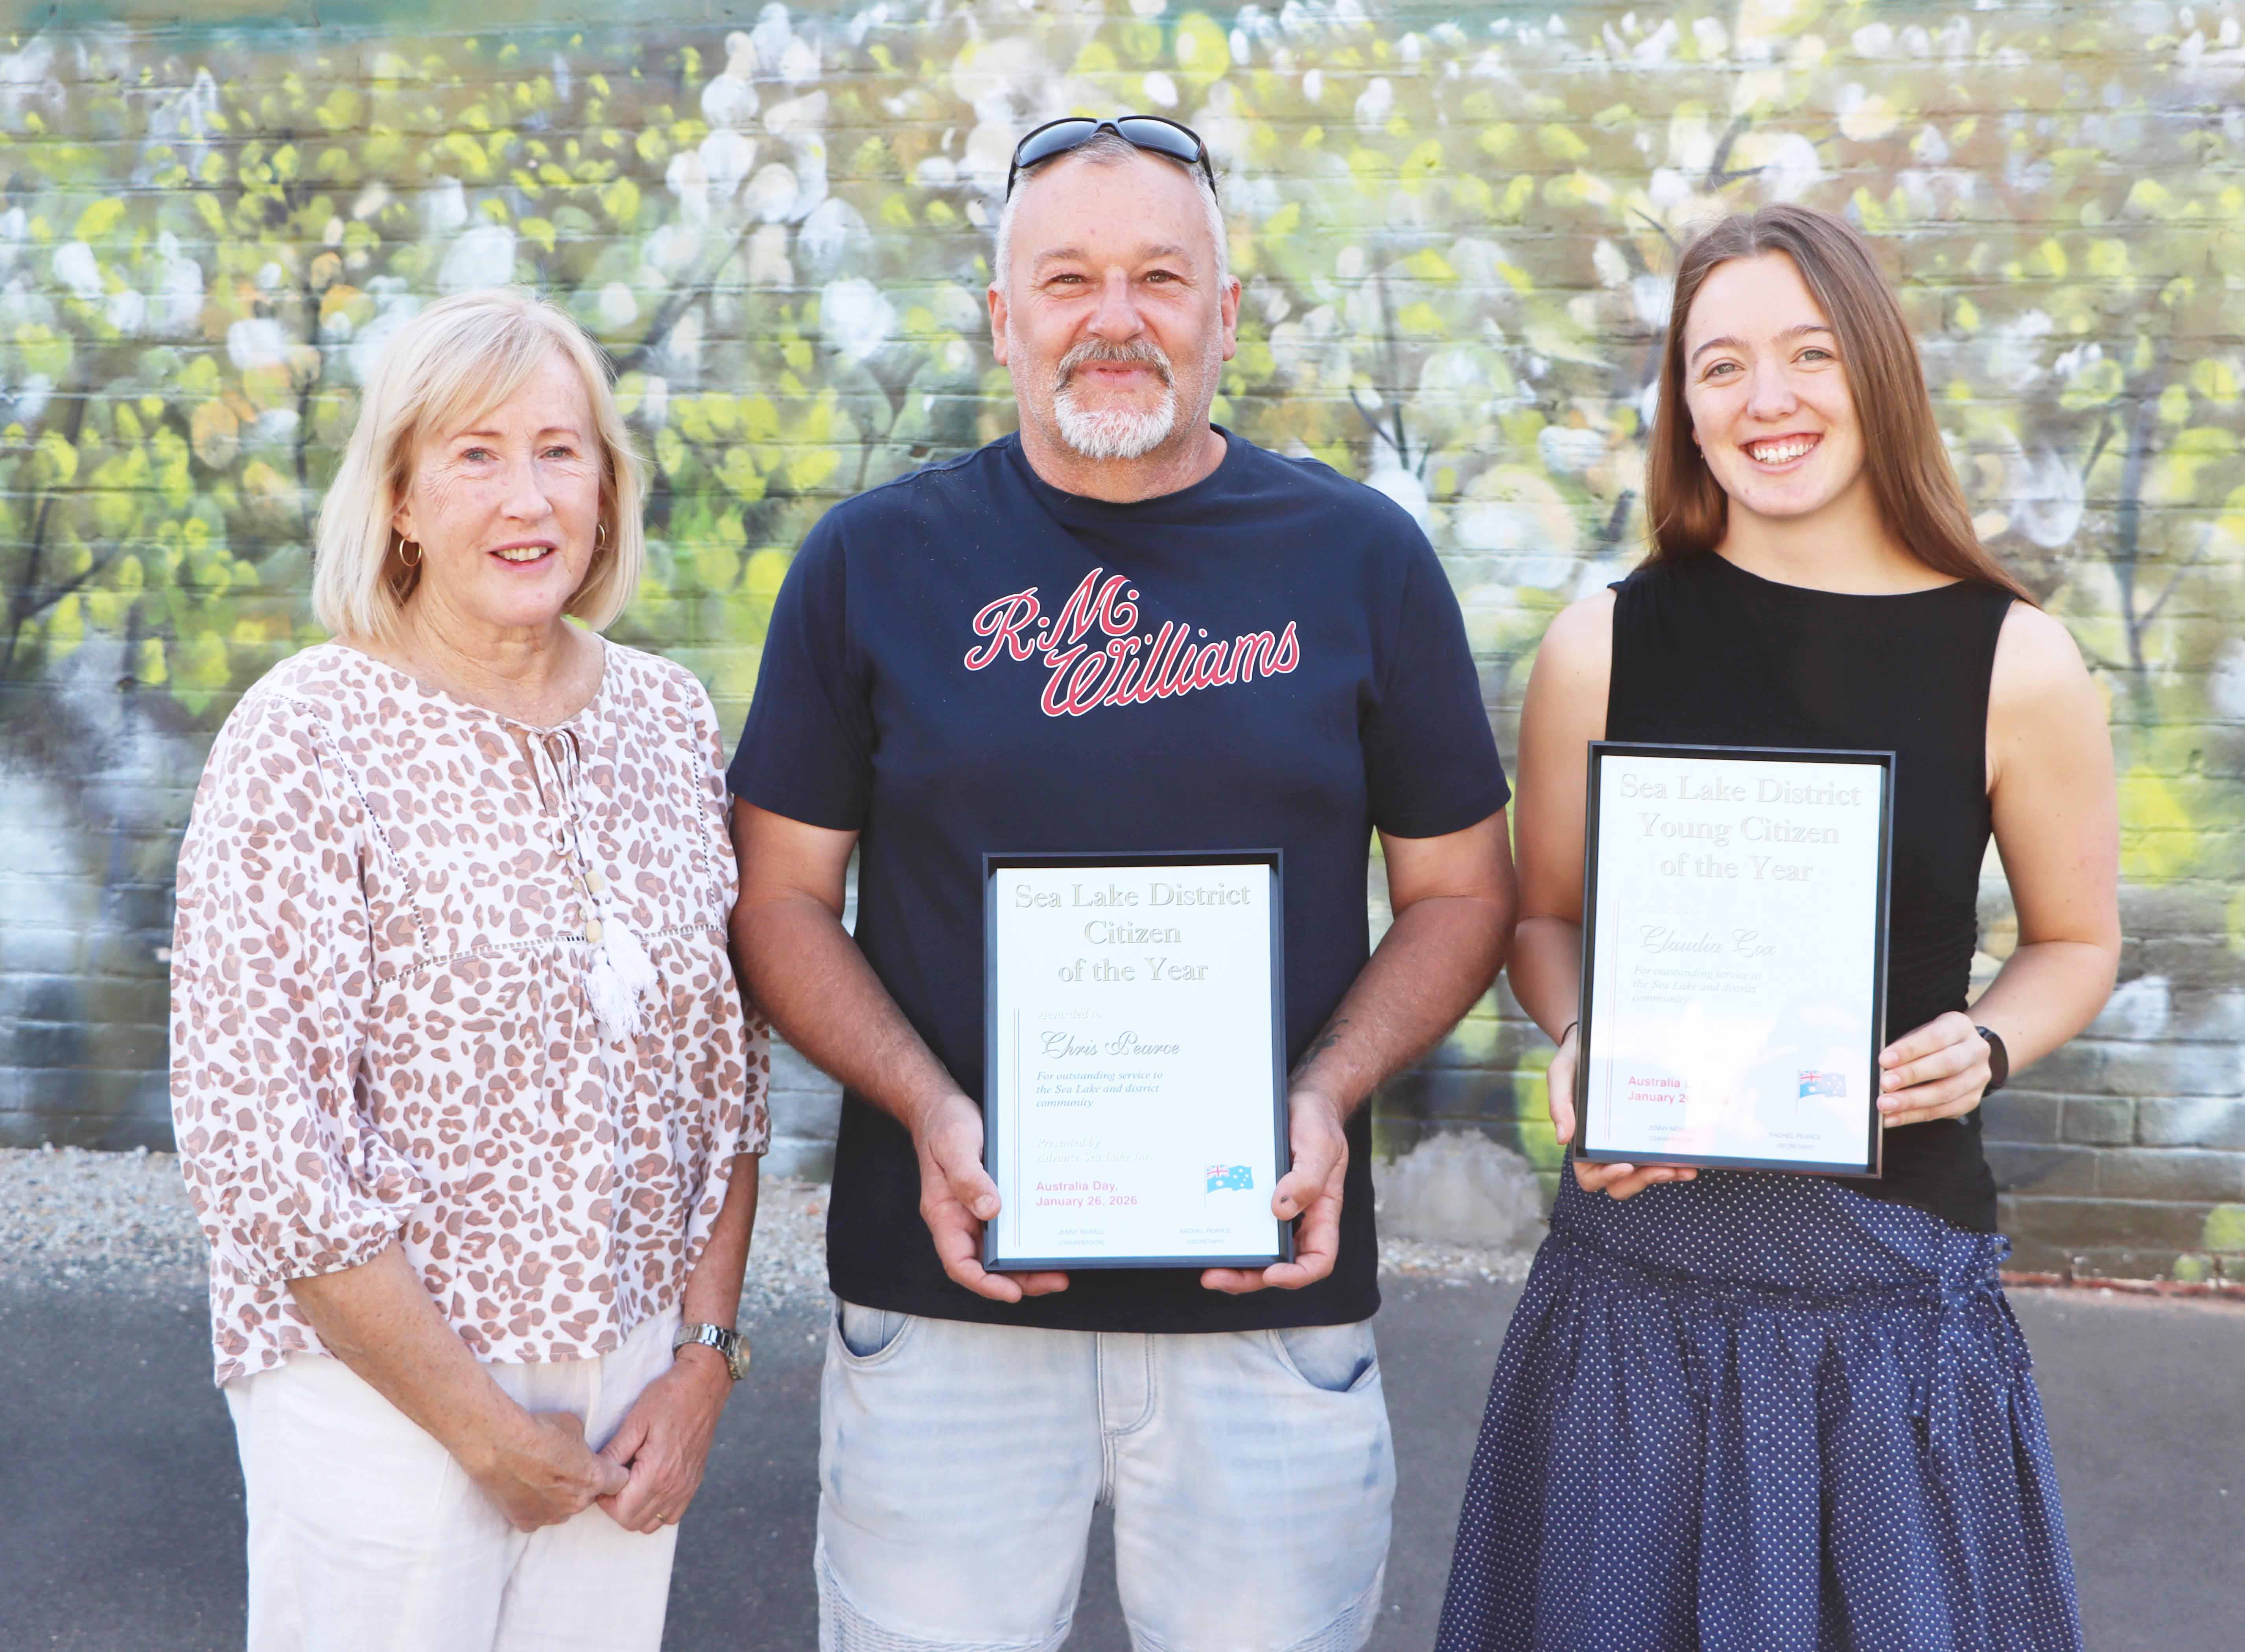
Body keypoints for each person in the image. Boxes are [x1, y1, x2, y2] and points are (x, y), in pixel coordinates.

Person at [729, 116, 1516, 1652]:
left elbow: (1461, 897)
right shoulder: (870, 564)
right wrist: (926, 1107)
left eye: (1160, 277)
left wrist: (1323, 1091)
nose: (1112, 317)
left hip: (1261, 1305)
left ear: (1224, 316)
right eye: (1068, 277)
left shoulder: (1362, 562)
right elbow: (775, 904)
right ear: (1003, 317)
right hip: (950, 1297)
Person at [1436, 203, 2120, 1650]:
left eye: (1808, 354)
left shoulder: (2015, 657)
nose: (1767, 401)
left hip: (1885, 1295)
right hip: (1639, 1286)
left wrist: (1986, 1045)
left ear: (1876, 372)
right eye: (1719, 366)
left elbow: (2077, 942)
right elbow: (1542, 919)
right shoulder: (1600, 645)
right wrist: (1579, 1035)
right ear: (1682, 406)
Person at [168, 287, 770, 1652]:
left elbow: (725, 1081)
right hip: (376, 1396)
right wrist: (476, 1426)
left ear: (608, 491)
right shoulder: (305, 736)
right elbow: (260, 1148)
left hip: (626, 1392)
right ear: (398, 498)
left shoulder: (666, 719)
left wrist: (703, 1362)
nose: (529, 496)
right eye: (476, 454)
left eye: (562, 452)